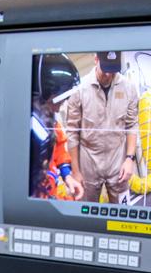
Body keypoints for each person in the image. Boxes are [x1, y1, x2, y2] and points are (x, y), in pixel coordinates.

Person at [63, 51, 139, 204]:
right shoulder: (79, 90)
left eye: (113, 70)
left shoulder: (128, 88)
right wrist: (76, 171)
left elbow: (132, 124)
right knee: (86, 213)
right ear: (96, 59)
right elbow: (72, 133)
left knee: (121, 213)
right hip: (89, 161)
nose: (109, 75)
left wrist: (130, 159)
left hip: (117, 159)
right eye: (106, 69)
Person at [30, 53, 83, 200]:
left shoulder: (50, 123)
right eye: (58, 101)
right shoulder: (24, 133)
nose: (59, 109)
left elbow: (59, 147)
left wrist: (67, 176)